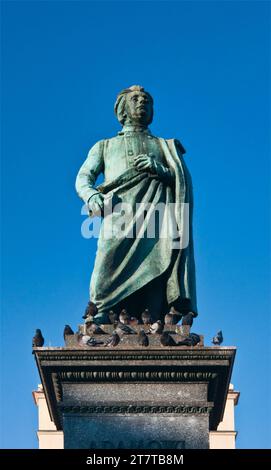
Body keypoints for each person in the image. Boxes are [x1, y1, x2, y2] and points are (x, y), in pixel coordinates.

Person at [75, 85, 197, 324]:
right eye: (136, 99)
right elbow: (83, 177)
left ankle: (154, 317)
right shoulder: (105, 146)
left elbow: (181, 182)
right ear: (122, 109)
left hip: (156, 215)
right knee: (105, 263)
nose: (142, 102)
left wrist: (158, 168)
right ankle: (101, 311)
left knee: (156, 264)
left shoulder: (164, 146)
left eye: (146, 100)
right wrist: (90, 196)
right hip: (118, 213)